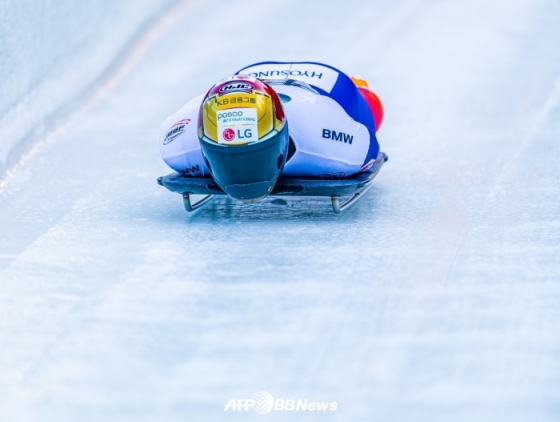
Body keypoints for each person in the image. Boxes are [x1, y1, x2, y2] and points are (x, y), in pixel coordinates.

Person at [158, 61, 383, 202]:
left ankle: (360, 85)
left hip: (325, 85)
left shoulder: (336, 149)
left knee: (371, 107)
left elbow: (370, 149)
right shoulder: (176, 144)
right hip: (249, 78)